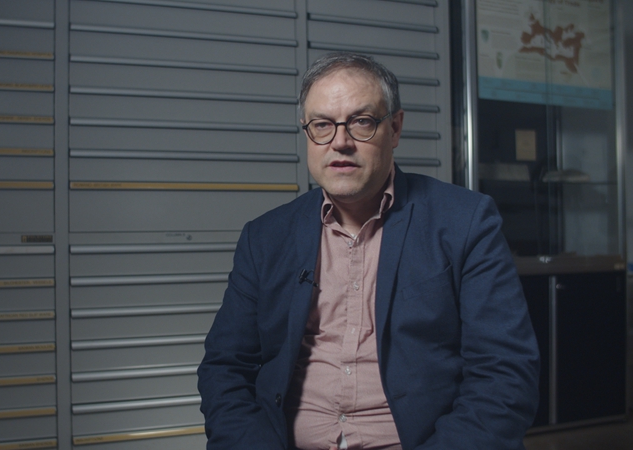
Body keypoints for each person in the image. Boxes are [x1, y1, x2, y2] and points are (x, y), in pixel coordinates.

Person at [197, 52, 540, 450]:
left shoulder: (466, 222)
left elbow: (505, 374)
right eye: (322, 125)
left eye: (361, 121)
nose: (340, 142)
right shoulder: (265, 237)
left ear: (394, 128)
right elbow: (225, 369)